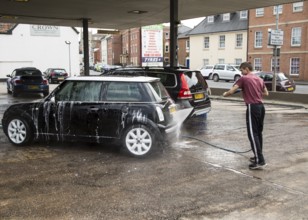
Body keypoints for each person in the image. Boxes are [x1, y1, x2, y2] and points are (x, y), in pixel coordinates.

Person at [222, 62, 269, 170]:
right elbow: (266, 93)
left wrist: (225, 94)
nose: (241, 72)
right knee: (258, 133)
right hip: (261, 107)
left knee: (252, 134)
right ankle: (257, 156)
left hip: (252, 107)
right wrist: (254, 91)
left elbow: (232, 90)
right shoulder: (259, 79)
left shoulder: (244, 79)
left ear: (247, 69)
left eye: (242, 70)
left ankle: (260, 161)